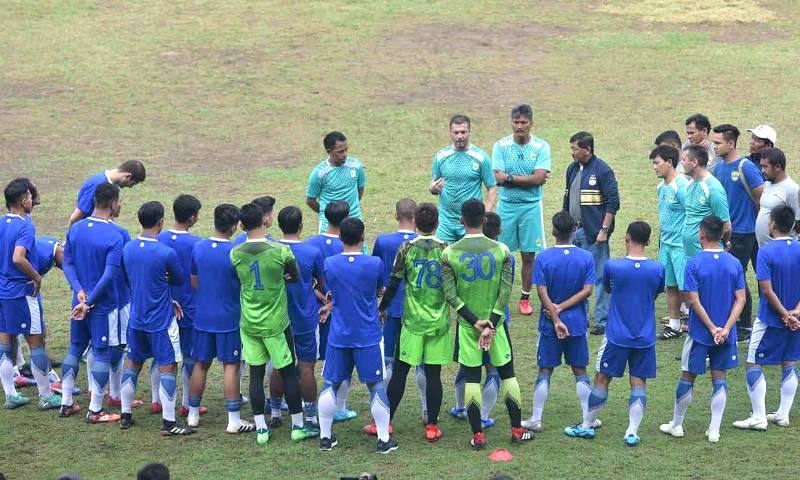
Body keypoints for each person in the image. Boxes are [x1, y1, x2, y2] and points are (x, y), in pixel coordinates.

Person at [441, 199, 533, 449]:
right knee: (507, 374)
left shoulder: (449, 253)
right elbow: (505, 291)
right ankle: (516, 431)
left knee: (471, 378)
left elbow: (450, 295)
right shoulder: (502, 250)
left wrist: (476, 323)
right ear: (484, 219)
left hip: (469, 328)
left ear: (462, 220)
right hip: (497, 328)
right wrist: (491, 324)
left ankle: (477, 436)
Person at [564, 221, 664, 447]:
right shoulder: (658, 269)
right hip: (645, 337)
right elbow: (656, 292)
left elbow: (608, 289)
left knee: (602, 378)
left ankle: (587, 426)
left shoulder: (613, 266)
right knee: (639, 383)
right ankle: (631, 431)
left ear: (626, 237)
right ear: (648, 241)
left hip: (617, 335)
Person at [230, 202, 318, 445]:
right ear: (265, 222)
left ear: (241, 225)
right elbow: (296, 277)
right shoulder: (280, 251)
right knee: (289, 372)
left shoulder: (235, 253)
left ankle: (261, 429)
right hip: (277, 322)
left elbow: (236, 278)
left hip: (249, 322)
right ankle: (298, 426)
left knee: (256, 375)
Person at [659, 216, 745, 443]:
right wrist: (725, 328)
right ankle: (714, 430)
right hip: (726, 335)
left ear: (701, 235)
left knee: (687, 376)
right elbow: (741, 299)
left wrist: (711, 327)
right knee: (720, 378)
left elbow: (693, 301)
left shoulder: (694, 263)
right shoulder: (734, 263)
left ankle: (677, 425)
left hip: (699, 333)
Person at [317, 217, 398, 454]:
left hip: (339, 335)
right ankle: (383, 440)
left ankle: (325, 437)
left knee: (330, 383)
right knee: (376, 386)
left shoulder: (330, 263)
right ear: (362, 237)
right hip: (368, 335)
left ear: (340, 237)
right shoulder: (374, 263)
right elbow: (380, 289)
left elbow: (330, 289)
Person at [118, 201, 195, 435]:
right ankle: (169, 422)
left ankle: (125, 414)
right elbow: (180, 280)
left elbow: (129, 276)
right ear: (161, 222)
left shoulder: (128, 248)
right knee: (168, 367)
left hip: (137, 318)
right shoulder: (165, 252)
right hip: (160, 321)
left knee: (132, 365)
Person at [382, 203, 450, 443]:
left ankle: (386, 423)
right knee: (433, 374)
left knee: (400, 372)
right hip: (438, 322)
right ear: (437, 223)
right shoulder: (446, 249)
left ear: (415, 224)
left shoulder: (406, 248)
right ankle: (432, 426)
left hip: (411, 321)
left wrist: (382, 308)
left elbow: (393, 283)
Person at [524, 211, 595, 432]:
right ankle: (588, 418)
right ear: (574, 229)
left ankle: (536, 419)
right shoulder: (586, 257)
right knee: (580, 370)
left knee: (545, 370)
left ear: (554, 231)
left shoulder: (544, 258)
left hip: (548, 325)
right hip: (576, 323)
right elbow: (588, 290)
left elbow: (541, 291)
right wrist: (564, 308)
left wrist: (555, 314)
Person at [187, 204, 255, 433]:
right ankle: (234, 420)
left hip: (203, 317)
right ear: (235, 226)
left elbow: (194, 282)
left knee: (200, 364)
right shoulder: (236, 253)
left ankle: (192, 414)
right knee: (231, 366)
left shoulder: (198, 247)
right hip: (229, 318)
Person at [59, 183, 124, 423]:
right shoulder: (114, 235)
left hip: (79, 302)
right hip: (102, 305)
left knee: (75, 347)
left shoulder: (76, 229)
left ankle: (66, 403)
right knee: (103, 352)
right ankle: (95, 410)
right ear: (112, 203)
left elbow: (67, 264)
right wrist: (91, 301)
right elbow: (108, 276)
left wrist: (79, 293)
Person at [734, 206, 800, 431]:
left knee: (753, 362)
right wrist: (795, 313)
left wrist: (783, 314)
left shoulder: (766, 251)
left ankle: (759, 417)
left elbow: (767, 290)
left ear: (772, 224)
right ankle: (783, 413)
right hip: (796, 320)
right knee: (789, 362)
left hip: (770, 319)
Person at [0, 179, 61, 410]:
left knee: (5, 344)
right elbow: (18, 257)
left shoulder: (1, 223)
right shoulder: (25, 225)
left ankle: (10, 395)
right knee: (36, 344)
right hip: (22, 293)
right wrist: (36, 277)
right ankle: (45, 396)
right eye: (29, 197)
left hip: (2, 292)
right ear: (23, 200)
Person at [365, 199, 425, 432]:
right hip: (419, 312)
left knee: (389, 361)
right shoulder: (425, 244)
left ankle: (385, 413)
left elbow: (379, 273)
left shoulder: (383, 241)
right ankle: (427, 410)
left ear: (395, 215)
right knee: (420, 362)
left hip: (391, 309)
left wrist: (380, 297)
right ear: (416, 217)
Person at [492, 104, 551, 315]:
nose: (519, 126)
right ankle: (500, 296)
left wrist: (509, 178)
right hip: (506, 207)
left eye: (523, 122)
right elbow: (497, 179)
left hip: (531, 207)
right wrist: (525, 180)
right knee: (503, 254)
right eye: (516, 122)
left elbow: (539, 178)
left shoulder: (541, 147)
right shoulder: (500, 146)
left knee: (528, 255)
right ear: (511, 122)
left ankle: (525, 298)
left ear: (531, 123)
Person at [563, 131, 620, 335]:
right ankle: (581, 317)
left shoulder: (602, 170)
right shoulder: (572, 169)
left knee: (599, 277)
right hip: (573, 231)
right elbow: (567, 199)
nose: (572, 153)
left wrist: (603, 230)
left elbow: (613, 202)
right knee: (577, 277)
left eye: (575, 149)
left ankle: (602, 321)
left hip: (593, 234)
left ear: (587, 150)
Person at [305, 200, 357, 422]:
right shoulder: (350, 246)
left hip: (312, 311)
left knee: (306, 361)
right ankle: (339, 407)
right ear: (347, 219)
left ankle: (303, 404)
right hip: (340, 312)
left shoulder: (309, 244)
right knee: (340, 361)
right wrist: (332, 303)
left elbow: (305, 279)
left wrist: (321, 299)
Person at [275, 206, 327, 427]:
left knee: (280, 364)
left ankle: (276, 411)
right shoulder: (312, 252)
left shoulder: (272, 250)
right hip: (305, 316)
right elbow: (321, 282)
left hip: (278, 317)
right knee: (306, 366)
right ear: (301, 226)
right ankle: (311, 415)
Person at [712, 124, 764, 341]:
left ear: (731, 143)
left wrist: (757, 222)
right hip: (729, 232)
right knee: (737, 276)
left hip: (745, 232)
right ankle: (745, 324)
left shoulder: (745, 167)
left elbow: (761, 195)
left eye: (718, 143)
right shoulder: (717, 168)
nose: (714, 147)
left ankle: (745, 326)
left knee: (738, 277)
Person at [156, 195, 204, 418]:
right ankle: (186, 402)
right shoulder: (196, 244)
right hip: (189, 306)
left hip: (162, 304)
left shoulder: (159, 238)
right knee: (189, 355)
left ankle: (156, 400)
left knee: (161, 354)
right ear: (192, 217)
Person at [429, 114, 497, 243]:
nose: (460, 136)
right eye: (456, 132)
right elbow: (434, 185)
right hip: (446, 222)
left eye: (463, 132)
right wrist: (432, 188)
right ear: (450, 133)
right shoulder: (441, 157)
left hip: (471, 223)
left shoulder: (481, 158)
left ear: (469, 132)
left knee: (471, 260)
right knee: (443, 260)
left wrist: (485, 214)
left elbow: (492, 187)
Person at [652, 145, 690, 340]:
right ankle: (674, 325)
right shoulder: (661, 187)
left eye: (657, 163)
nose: (655, 167)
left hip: (680, 246)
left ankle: (694, 322)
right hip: (666, 244)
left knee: (687, 287)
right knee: (671, 285)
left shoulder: (681, 186)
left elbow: (691, 213)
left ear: (669, 162)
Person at [306, 131, 366, 233]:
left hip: (354, 221)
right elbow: (310, 200)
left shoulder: (356, 166)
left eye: (346, 150)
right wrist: (329, 214)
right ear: (329, 151)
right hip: (329, 226)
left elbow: (360, 189)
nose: (345, 154)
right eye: (340, 151)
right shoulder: (319, 173)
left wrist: (351, 209)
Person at [681, 144, 731, 259]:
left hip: (707, 256)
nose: (681, 163)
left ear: (694, 162)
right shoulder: (691, 184)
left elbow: (727, 226)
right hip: (689, 255)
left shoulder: (713, 188)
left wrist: (720, 243)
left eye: (684, 160)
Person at [67, 160, 146, 227]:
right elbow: (75, 217)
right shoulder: (98, 184)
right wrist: (69, 241)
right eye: (132, 184)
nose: (130, 187)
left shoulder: (111, 184)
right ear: (128, 176)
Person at [756, 148, 799, 247]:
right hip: (765, 249)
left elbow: (798, 221)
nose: (762, 170)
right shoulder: (767, 184)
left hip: (783, 251)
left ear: (778, 166)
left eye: (765, 167)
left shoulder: (792, 189)